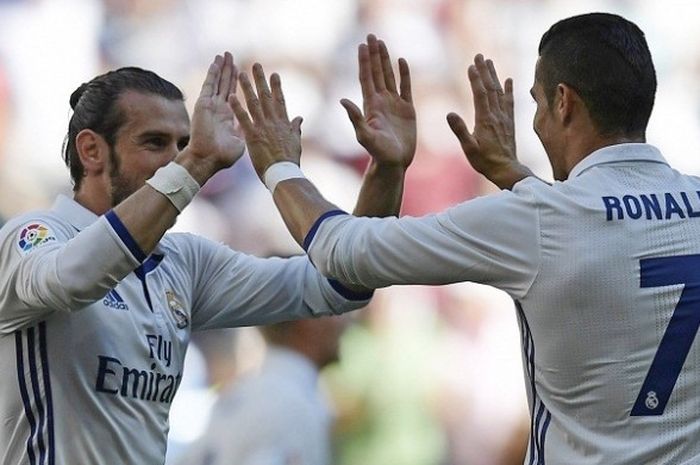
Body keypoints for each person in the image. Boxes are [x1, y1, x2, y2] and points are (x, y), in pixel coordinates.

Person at [231, 13, 700, 464]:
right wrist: (514, 176)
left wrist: (279, 166)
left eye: (536, 104)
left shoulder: (535, 219)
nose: (534, 125)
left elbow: (343, 252)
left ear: (564, 102)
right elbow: (603, 224)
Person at [0, 35, 416, 464]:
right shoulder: (31, 236)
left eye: (182, 145)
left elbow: (337, 283)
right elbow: (72, 281)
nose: (175, 160)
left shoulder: (185, 263)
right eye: (154, 143)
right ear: (92, 151)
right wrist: (197, 162)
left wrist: (386, 171)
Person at [176, 314, 350, 465]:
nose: (345, 321)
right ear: (309, 322)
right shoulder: (291, 405)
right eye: (335, 309)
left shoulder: (244, 394)